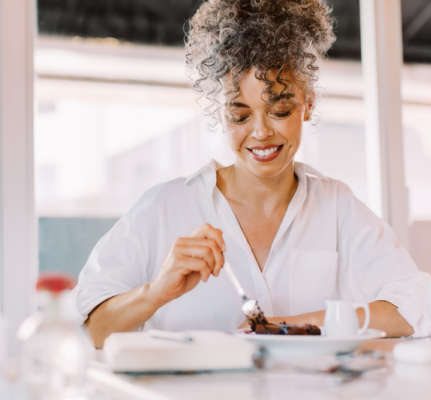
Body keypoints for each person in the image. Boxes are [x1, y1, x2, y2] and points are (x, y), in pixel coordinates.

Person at [67, 0, 431, 348]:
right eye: (239, 115)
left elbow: (415, 308)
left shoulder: (337, 207)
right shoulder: (166, 207)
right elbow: (92, 329)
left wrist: (281, 329)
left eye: (280, 110)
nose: (260, 132)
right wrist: (157, 291)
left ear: (307, 104)